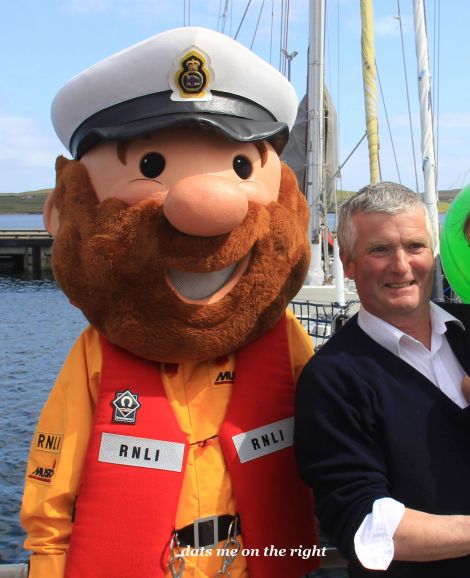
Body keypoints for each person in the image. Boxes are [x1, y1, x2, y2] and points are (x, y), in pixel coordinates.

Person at [21, 27, 320, 578]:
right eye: (150, 168)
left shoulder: (286, 343)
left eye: (240, 167)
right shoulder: (96, 358)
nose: (207, 206)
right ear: (62, 213)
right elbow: (51, 485)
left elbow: (339, 438)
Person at [295, 181, 470, 578]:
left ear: (434, 251)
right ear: (348, 262)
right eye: (379, 250)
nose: (402, 265)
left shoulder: (467, 332)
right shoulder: (332, 380)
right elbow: (363, 524)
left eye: (415, 246)